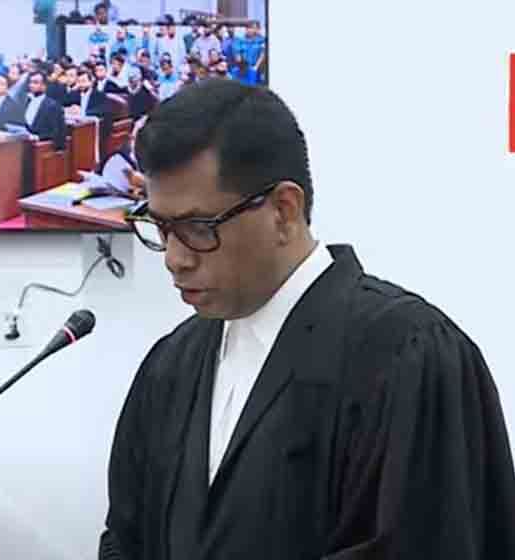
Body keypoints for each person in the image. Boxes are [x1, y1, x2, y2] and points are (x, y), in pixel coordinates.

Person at [102, 79, 515, 559]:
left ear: (284, 210)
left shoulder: (405, 355)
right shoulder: (172, 365)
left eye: (197, 227)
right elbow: (125, 538)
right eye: (160, 226)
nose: (174, 259)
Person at [23, 71, 66, 150]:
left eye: (35, 82)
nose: (31, 85)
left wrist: (37, 137)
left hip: (41, 147)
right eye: (30, 82)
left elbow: (55, 133)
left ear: (44, 86)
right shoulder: (25, 102)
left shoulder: (52, 106)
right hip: (23, 143)